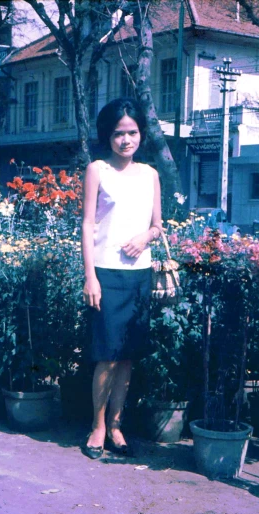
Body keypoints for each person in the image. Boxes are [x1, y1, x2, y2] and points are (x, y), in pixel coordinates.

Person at [81, 98, 162, 460]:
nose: (126, 140)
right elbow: (86, 225)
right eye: (118, 133)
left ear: (141, 135)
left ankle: (116, 425)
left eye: (132, 132)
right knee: (107, 356)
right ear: (108, 136)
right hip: (106, 273)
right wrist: (90, 276)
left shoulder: (150, 174)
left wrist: (145, 238)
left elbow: (158, 226)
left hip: (139, 274)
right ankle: (97, 426)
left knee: (127, 356)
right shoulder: (98, 169)